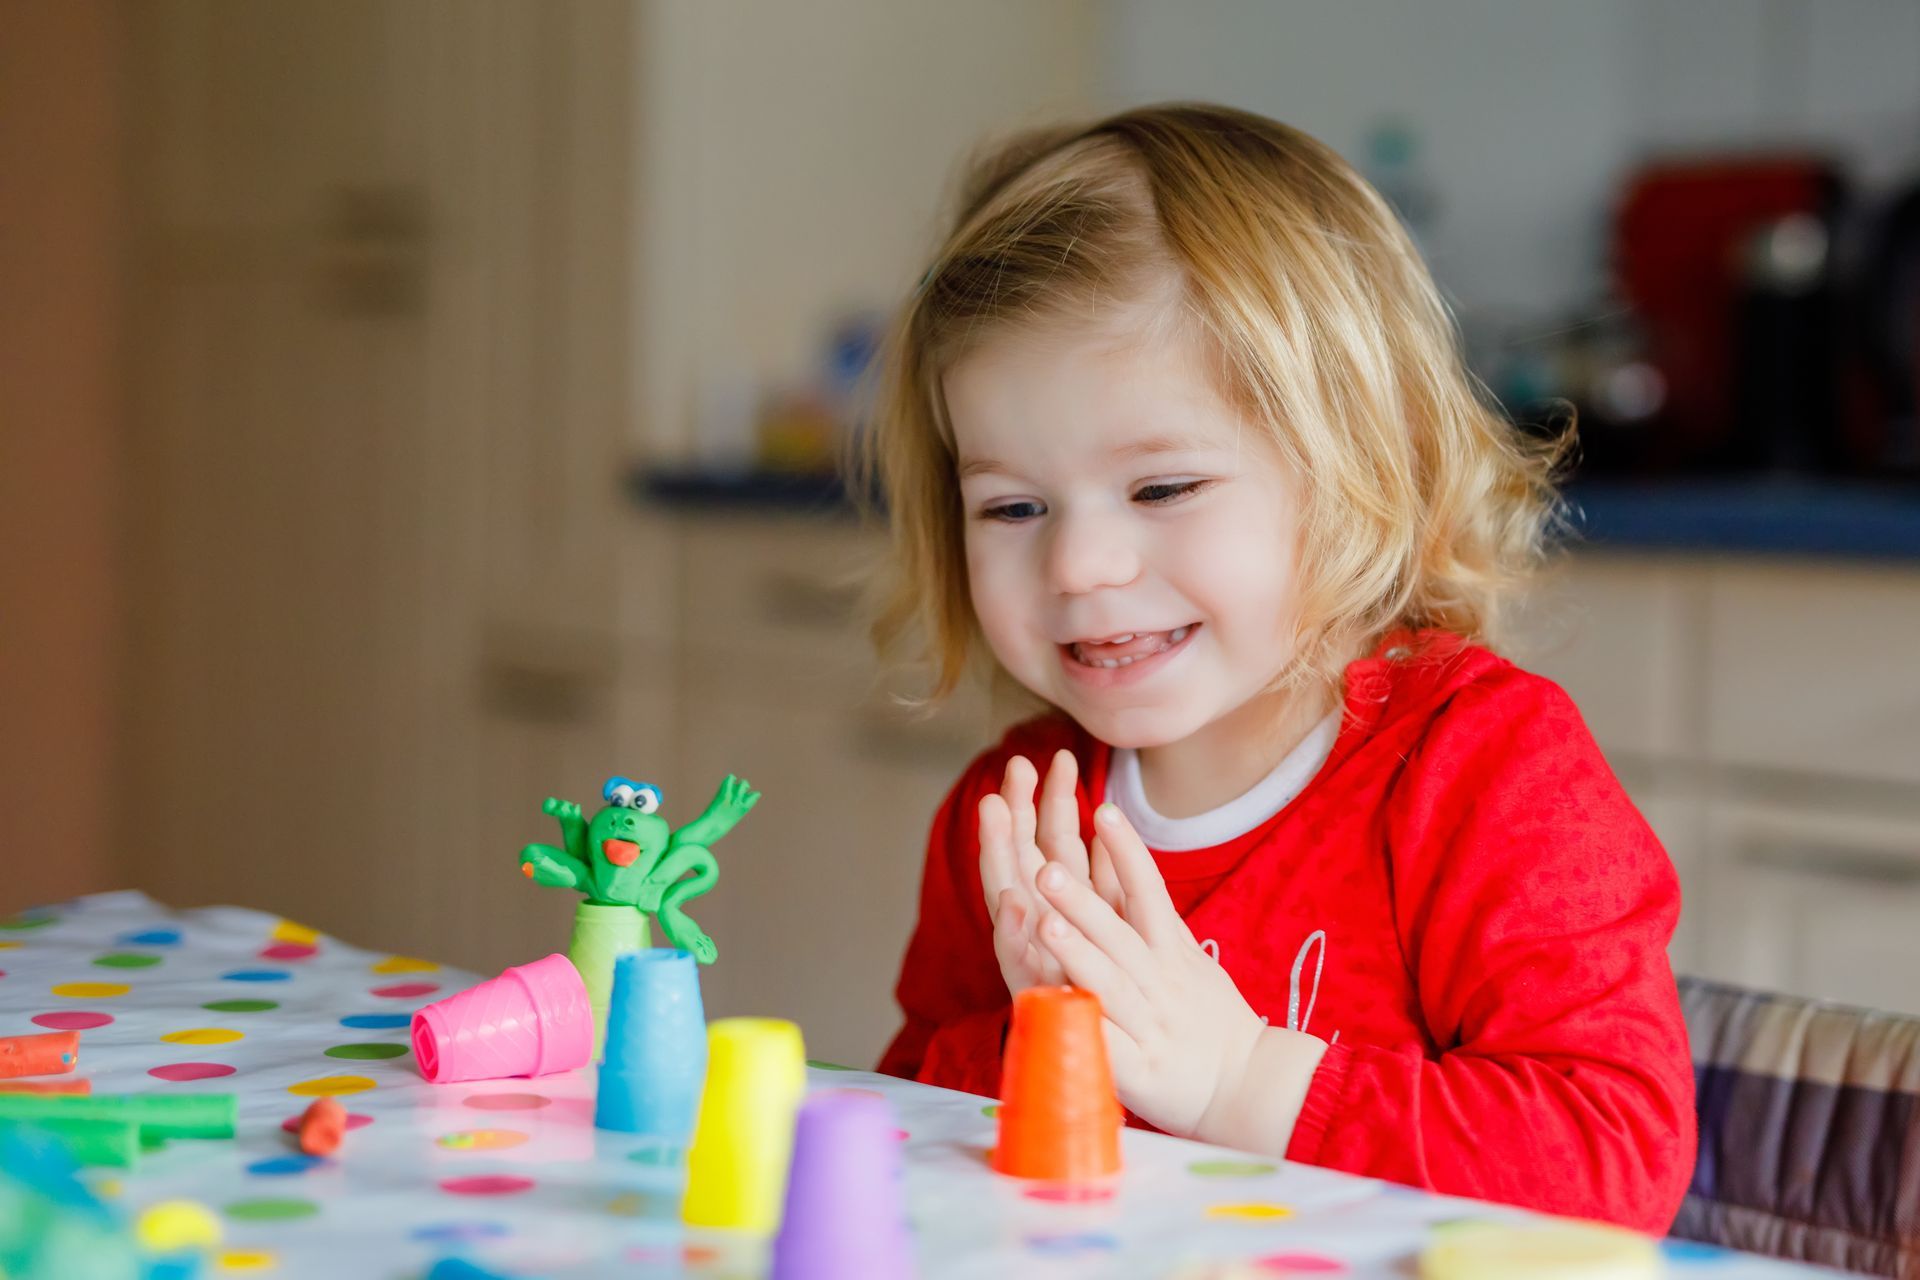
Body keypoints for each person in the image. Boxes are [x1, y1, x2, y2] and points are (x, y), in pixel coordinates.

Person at [860, 103, 1693, 1232]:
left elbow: (1614, 1159)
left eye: (1162, 488)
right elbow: (911, 1152)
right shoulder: (1014, 818)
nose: (1082, 563)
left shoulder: (1480, 766)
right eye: (1012, 505)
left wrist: (1238, 1076)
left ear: (1362, 462)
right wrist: (1030, 1039)